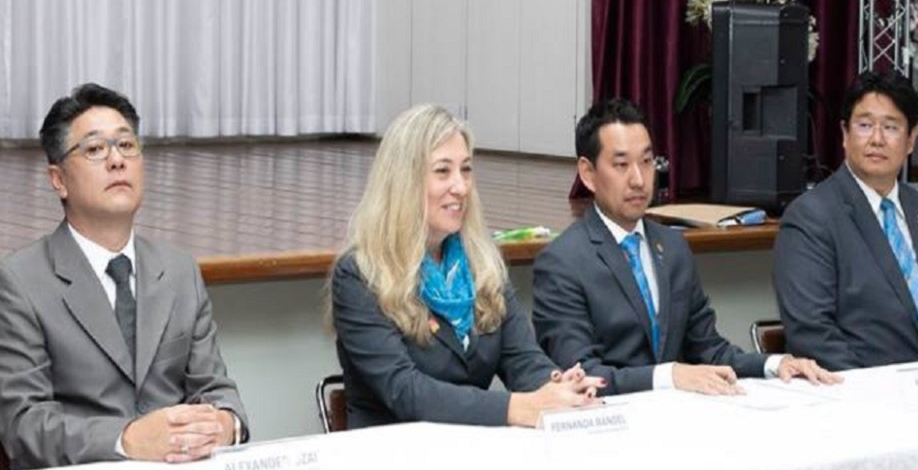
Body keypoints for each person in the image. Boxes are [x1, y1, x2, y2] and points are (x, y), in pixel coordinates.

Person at [0, 84, 247, 470]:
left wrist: (226, 425)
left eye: (127, 145)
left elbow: (214, 388)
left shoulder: (178, 270)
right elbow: (24, 424)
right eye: (95, 149)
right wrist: (127, 440)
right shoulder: (21, 281)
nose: (117, 160)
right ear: (58, 179)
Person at [533, 98, 838, 396]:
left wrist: (775, 364)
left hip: (678, 417)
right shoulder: (562, 262)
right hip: (607, 419)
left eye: (647, 162)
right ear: (588, 174)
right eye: (621, 165)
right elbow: (581, 374)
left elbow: (709, 349)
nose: (639, 180)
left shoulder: (672, 246)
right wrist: (670, 375)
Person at [327, 104, 602, 428]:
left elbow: (522, 359)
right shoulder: (359, 274)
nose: (461, 186)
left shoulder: (481, 264)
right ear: (403, 182)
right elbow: (406, 392)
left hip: (473, 447)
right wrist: (516, 408)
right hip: (393, 453)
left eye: (466, 170)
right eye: (443, 171)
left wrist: (559, 388)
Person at [773, 71, 918, 370]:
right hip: (860, 389)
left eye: (890, 127)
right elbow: (813, 334)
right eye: (864, 125)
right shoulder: (811, 216)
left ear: (911, 140)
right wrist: (875, 392)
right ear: (845, 134)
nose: (876, 139)